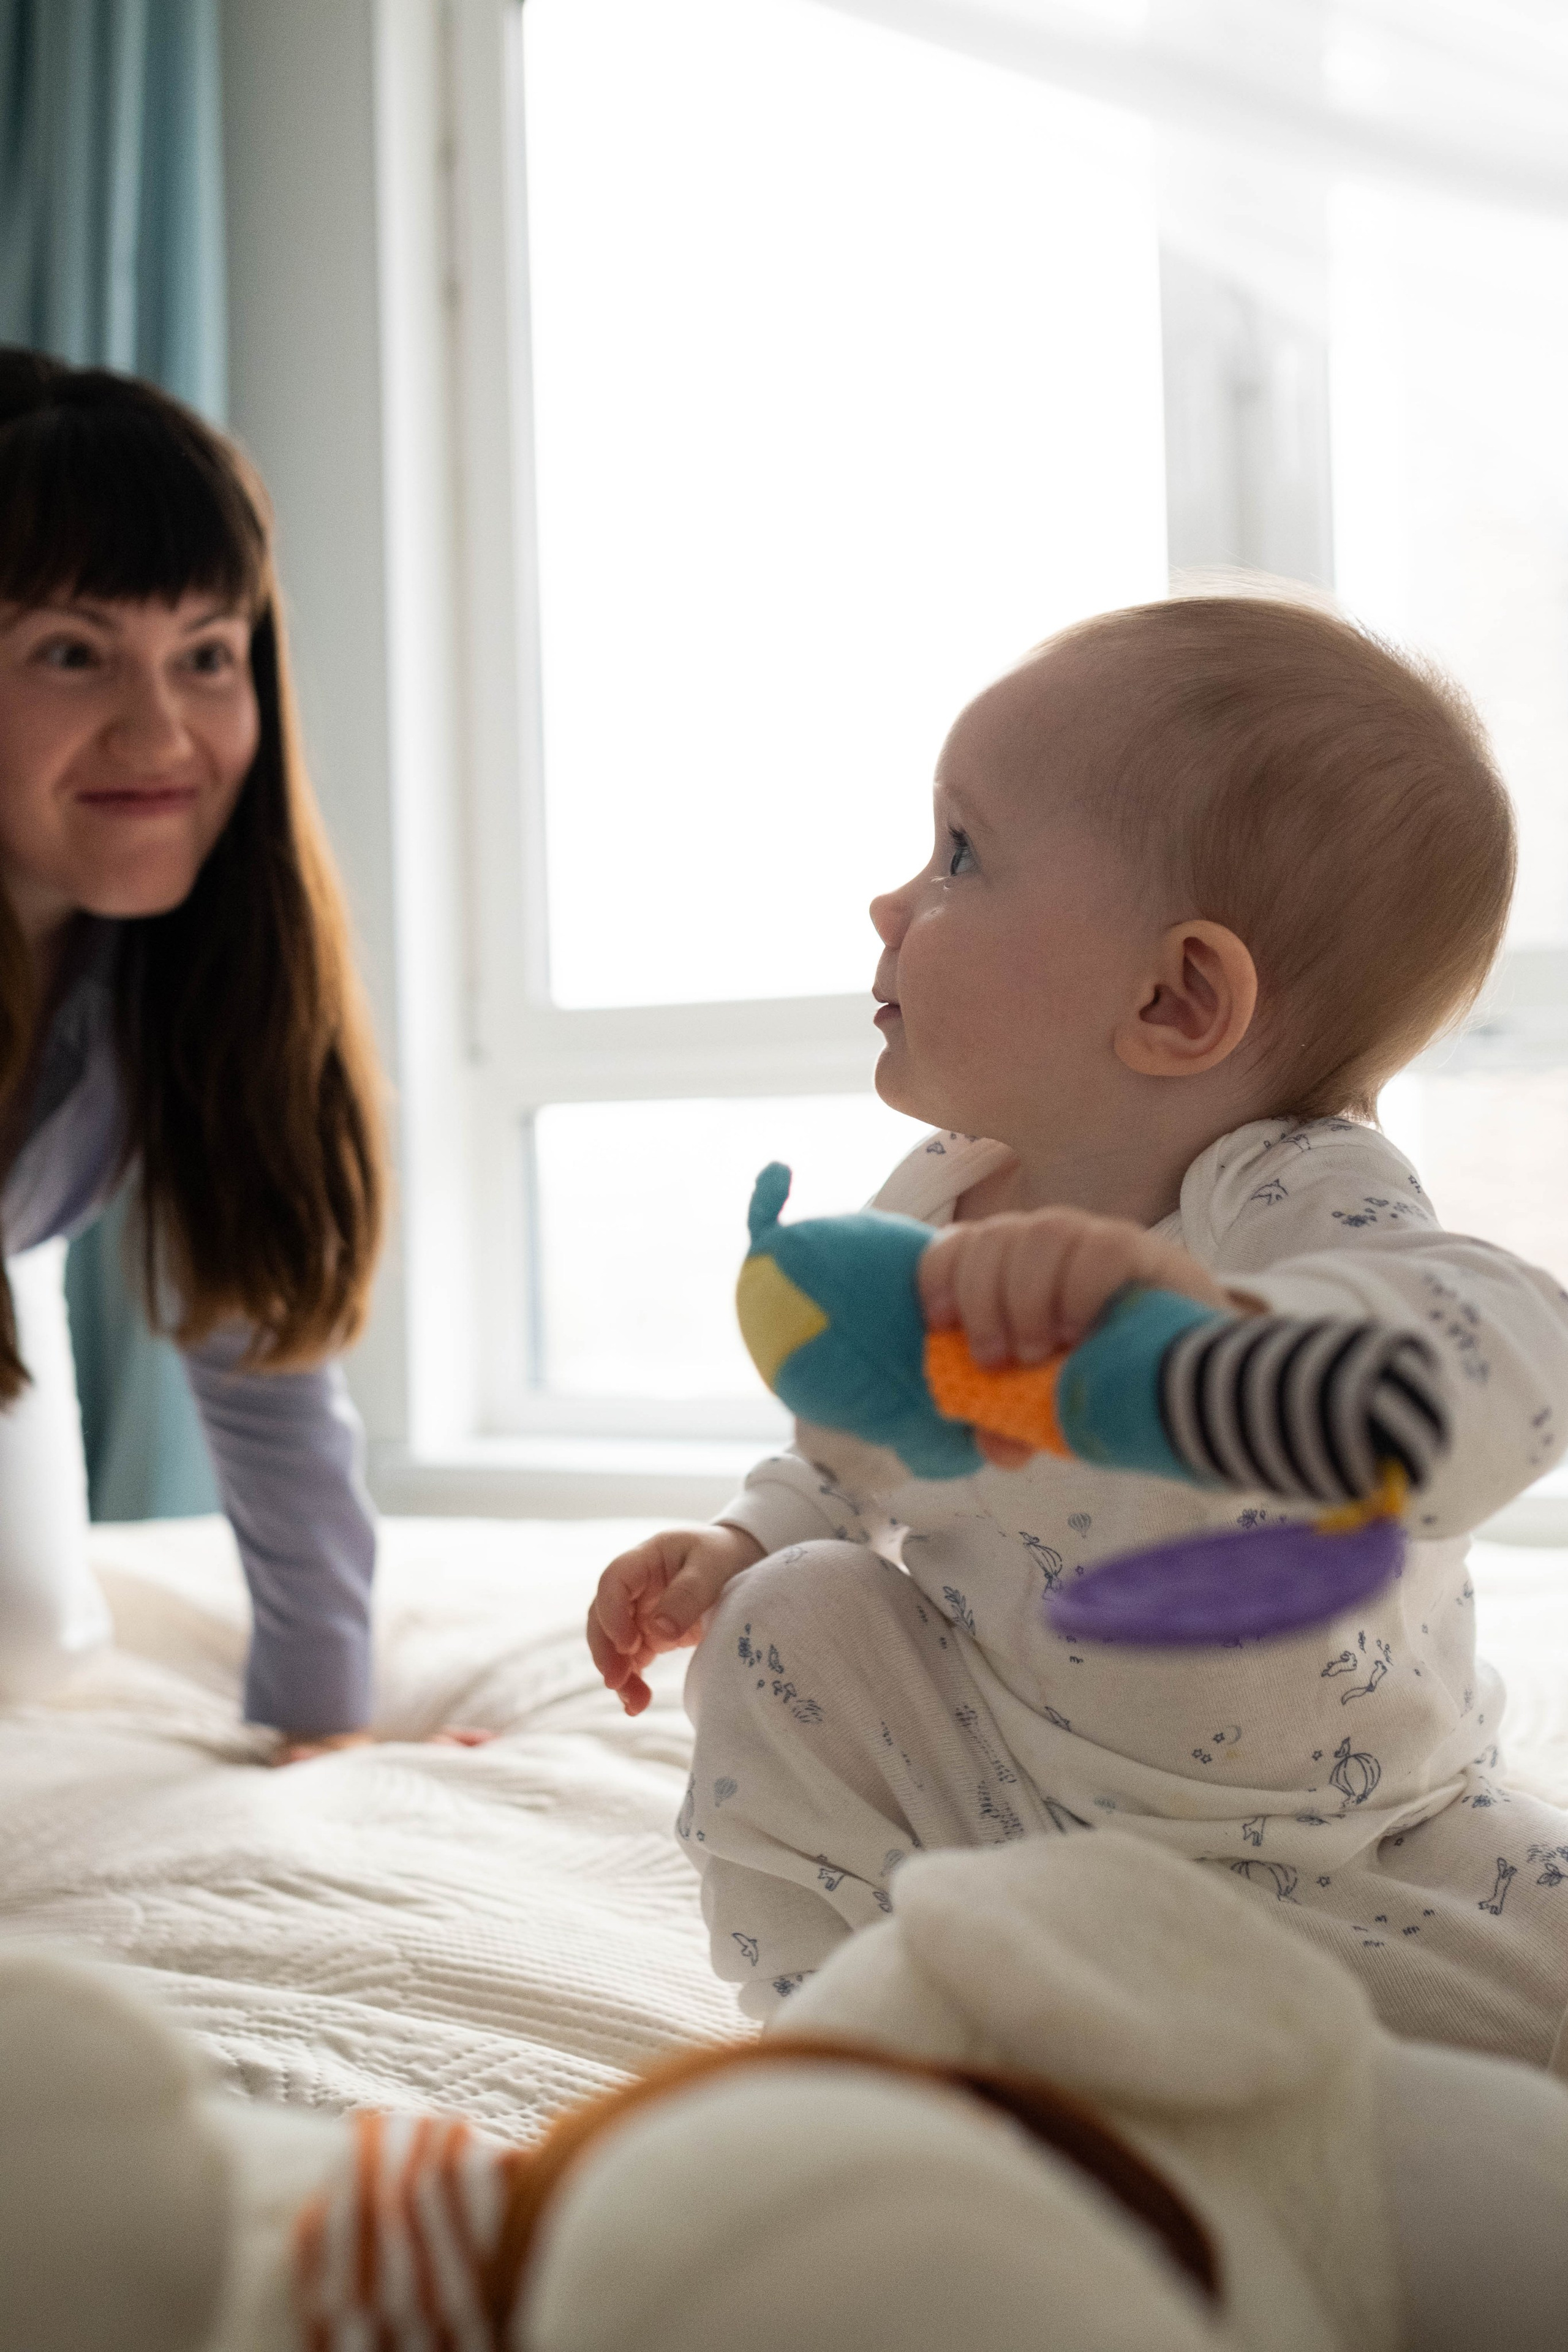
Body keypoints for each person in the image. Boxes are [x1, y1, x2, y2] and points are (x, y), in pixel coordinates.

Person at [588, 591, 1568, 2062]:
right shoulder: (931, 1207)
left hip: (1348, 1862)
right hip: (1010, 1821)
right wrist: (742, 1539)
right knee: (786, 1620)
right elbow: (848, 1458)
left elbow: (1507, 1351)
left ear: (1174, 997)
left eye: (959, 854)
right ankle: (859, 2044)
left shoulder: (1286, 1192)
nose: (889, 904)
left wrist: (1231, 1341)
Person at [0, 350, 418, 1762]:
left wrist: (323, 1722)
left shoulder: (185, 975)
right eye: (72, 652)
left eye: (206, 655)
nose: (160, 732)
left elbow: (268, 1351)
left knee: (29, 1645)